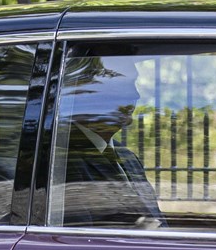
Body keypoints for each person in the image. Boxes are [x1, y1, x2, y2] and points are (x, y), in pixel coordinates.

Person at [56, 54, 165, 227]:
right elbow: (84, 241)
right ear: (90, 91)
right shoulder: (62, 161)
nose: (135, 95)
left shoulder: (128, 158)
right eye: (124, 85)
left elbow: (158, 223)